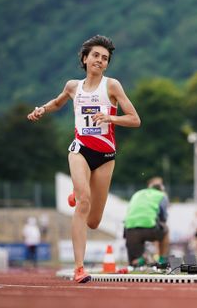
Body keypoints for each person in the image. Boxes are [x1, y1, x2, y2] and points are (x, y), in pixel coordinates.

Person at [27, 35, 141, 283]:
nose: (100, 61)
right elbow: (57, 103)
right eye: (96, 56)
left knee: (93, 221)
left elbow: (135, 119)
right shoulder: (73, 87)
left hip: (106, 155)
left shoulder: (112, 86)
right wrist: (42, 109)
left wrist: (111, 118)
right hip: (80, 149)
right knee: (83, 203)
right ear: (85, 58)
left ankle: (79, 192)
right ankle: (80, 268)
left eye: (105, 58)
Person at [123, 177, 169, 266]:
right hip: (149, 228)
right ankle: (162, 260)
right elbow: (163, 217)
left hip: (129, 229)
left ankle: (139, 260)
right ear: (161, 190)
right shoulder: (161, 195)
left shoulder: (137, 193)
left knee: (135, 261)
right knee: (165, 230)